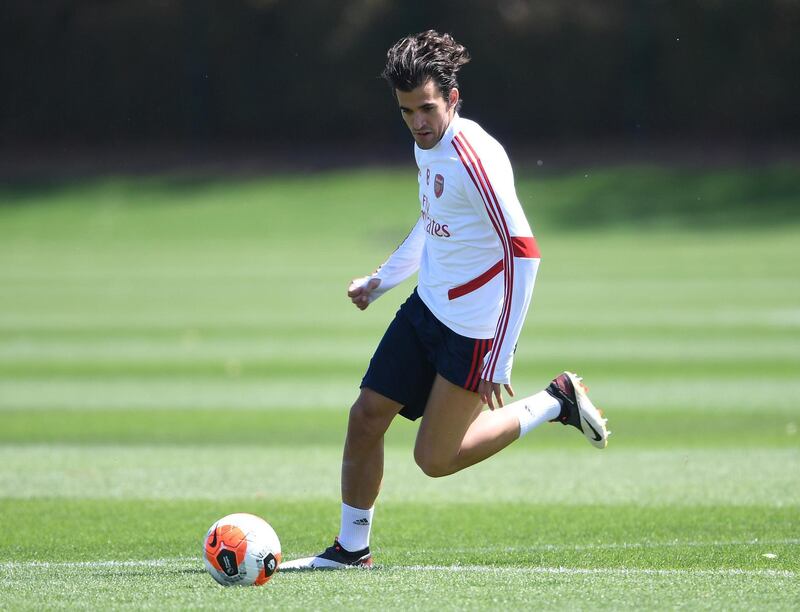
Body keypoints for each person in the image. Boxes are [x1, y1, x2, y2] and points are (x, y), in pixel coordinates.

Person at [282, 30, 608, 570]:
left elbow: (525, 254)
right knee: (365, 416)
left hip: (473, 330)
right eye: (406, 110)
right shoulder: (425, 143)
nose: (416, 121)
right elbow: (436, 221)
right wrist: (381, 281)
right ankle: (350, 549)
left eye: (426, 108)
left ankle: (555, 401)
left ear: (453, 99)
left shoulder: (474, 158)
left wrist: (500, 357)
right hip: (425, 308)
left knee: (434, 459)